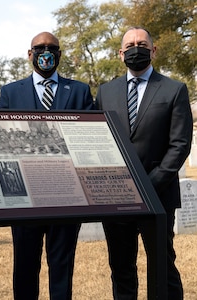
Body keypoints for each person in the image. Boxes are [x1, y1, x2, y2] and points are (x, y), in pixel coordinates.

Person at [96, 26, 193, 300]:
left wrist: (149, 186)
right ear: (120, 53)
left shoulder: (174, 90)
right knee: (122, 268)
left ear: (153, 50)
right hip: (116, 198)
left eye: (141, 43)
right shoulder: (105, 91)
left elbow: (180, 144)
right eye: (130, 45)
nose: (135, 48)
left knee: (162, 267)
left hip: (158, 196)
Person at [0, 31, 94, 300]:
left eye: (52, 48)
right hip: (25, 196)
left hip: (67, 193)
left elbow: (90, 139)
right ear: (30, 54)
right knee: (25, 266)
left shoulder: (79, 91)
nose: (46, 52)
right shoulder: (10, 93)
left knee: (62, 266)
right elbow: (3, 140)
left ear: (60, 55)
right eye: (39, 48)